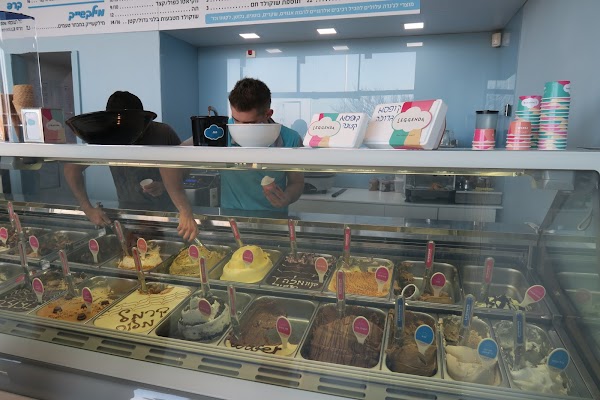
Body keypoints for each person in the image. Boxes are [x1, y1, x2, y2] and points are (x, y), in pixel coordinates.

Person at [64, 91, 198, 241]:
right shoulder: (106, 136)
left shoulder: (162, 132)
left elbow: (183, 167)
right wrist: (87, 209)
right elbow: (71, 168)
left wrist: (163, 186)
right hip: (128, 214)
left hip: (166, 215)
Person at [221, 78, 304, 212]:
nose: (240, 127)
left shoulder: (290, 139)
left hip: (274, 218)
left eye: (249, 123)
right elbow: (184, 151)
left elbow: (297, 182)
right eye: (236, 120)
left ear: (268, 114)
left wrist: (287, 197)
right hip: (231, 217)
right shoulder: (221, 132)